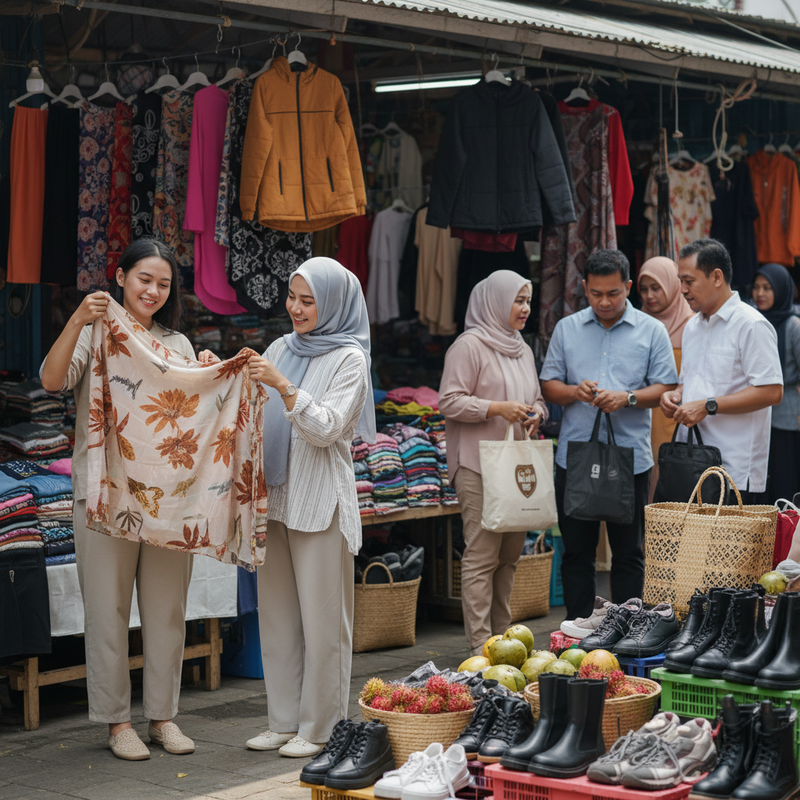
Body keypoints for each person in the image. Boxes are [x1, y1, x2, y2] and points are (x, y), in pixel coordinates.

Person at [40, 238, 217, 761]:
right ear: (119, 277)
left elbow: (194, 413)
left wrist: (207, 370)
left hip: (168, 501)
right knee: (108, 608)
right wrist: (77, 318)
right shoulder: (95, 333)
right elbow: (52, 380)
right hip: (103, 494)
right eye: (144, 279)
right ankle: (117, 723)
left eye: (164, 284)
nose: (154, 291)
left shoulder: (178, 344)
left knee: (167, 610)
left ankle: (163, 717)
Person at [244, 257, 373, 758]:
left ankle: (320, 728)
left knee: (324, 624)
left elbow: (327, 429)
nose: (294, 308)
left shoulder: (349, 359)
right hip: (275, 497)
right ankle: (282, 721)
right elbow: (251, 409)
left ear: (334, 302)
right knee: (276, 617)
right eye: (292, 297)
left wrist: (282, 385)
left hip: (320, 502)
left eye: (307, 300)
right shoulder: (281, 346)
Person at [540, 249, 678, 621]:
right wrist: (574, 393)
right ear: (584, 287)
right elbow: (549, 385)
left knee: (629, 554)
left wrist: (628, 398)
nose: (604, 301)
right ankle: (577, 629)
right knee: (576, 553)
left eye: (613, 293)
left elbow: (666, 385)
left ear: (628, 287)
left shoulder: (652, 330)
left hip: (630, 460)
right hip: (576, 458)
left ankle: (626, 629)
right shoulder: (568, 328)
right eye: (596, 293)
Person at [439, 270, 547, 656]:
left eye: (527, 301)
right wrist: (495, 408)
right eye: (518, 300)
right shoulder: (468, 347)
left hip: (514, 468)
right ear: (495, 302)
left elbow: (536, 398)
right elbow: (449, 401)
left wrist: (537, 413)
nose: (525, 309)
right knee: (483, 556)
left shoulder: (521, 347)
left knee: (509, 557)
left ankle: (505, 638)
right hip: (478, 466)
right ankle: (480, 646)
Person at [660, 239, 783, 503]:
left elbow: (772, 392)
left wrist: (708, 405)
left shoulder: (751, 325)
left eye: (688, 281)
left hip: (734, 470)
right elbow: (690, 382)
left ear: (716, 277)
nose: (681, 289)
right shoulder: (692, 326)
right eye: (680, 281)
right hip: (691, 463)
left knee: (730, 546)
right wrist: (675, 395)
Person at [637, 257, 695, 500]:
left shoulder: (692, 326)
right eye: (643, 289)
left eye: (656, 287)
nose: (649, 296)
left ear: (672, 286)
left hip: (675, 416)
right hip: (639, 415)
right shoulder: (637, 324)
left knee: (667, 478)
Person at [753, 263, 800, 503]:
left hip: (787, 417)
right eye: (756, 287)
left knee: (784, 480)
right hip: (757, 415)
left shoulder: (793, 325)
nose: (760, 294)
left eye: (767, 288)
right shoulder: (752, 322)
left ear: (782, 290)